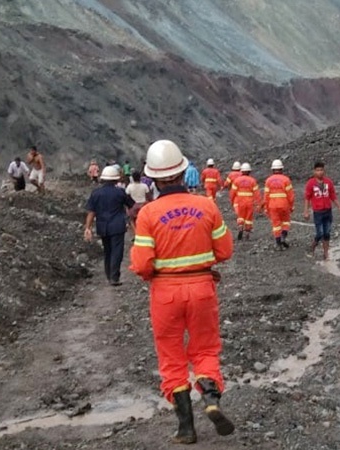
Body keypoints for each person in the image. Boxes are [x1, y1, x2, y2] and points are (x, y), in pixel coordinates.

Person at [130, 140, 234, 444]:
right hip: (202, 287)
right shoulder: (207, 205)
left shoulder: (148, 214)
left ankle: (186, 428)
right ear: (182, 172)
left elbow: (141, 263)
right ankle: (211, 399)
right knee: (205, 349)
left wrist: (155, 273)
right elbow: (225, 250)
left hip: (164, 293)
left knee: (172, 357)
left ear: (154, 177)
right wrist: (203, 263)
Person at [84, 166, 135, 286]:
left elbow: (91, 212)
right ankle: (114, 277)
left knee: (107, 251)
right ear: (116, 180)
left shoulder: (96, 193)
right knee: (117, 251)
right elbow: (131, 205)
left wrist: (88, 228)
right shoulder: (120, 192)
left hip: (102, 226)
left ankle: (108, 275)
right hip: (117, 226)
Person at [303, 161, 340, 260]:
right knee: (320, 233)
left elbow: (333, 196)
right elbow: (307, 198)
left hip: (328, 211)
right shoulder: (311, 183)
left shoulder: (328, 182)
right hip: (318, 212)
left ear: (324, 171)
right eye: (317, 170)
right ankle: (313, 245)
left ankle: (326, 253)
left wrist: (339, 207)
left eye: (321, 170)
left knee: (327, 232)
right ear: (314, 171)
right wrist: (306, 211)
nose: (320, 172)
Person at [264, 159, 295, 250]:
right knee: (285, 221)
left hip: (272, 205)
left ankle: (278, 244)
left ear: (273, 169)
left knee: (276, 224)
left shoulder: (268, 180)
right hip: (284, 204)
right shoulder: (286, 179)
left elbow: (266, 196)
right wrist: (291, 206)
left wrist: (266, 207)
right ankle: (283, 236)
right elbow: (291, 195)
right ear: (281, 169)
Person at [230, 162, 261, 241]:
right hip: (250, 202)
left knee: (240, 216)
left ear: (241, 171)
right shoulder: (252, 181)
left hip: (240, 202)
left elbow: (232, 192)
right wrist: (258, 204)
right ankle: (247, 233)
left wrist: (232, 200)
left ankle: (240, 227)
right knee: (248, 218)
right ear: (249, 171)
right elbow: (257, 194)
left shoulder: (237, 180)